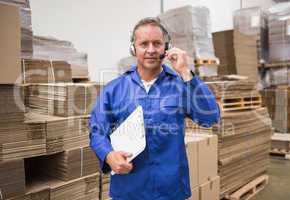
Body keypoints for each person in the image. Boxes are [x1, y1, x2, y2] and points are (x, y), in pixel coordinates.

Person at [89, 17, 220, 200]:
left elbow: (211, 117)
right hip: (129, 189)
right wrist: (108, 155)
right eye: (144, 44)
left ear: (166, 48)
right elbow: (97, 131)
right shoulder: (114, 89)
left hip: (171, 189)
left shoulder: (181, 85)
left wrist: (185, 72)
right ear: (133, 48)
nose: (151, 50)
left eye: (157, 43)